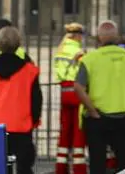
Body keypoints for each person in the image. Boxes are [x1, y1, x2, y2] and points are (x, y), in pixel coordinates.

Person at [73, 20, 125, 172]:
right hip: (124, 117)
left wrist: (91, 110)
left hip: (98, 118)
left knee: (98, 161)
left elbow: (78, 87)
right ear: (117, 37)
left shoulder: (90, 59)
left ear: (99, 37)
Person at [0, 26, 42, 174]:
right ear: (18, 44)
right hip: (21, 125)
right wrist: (34, 120)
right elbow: (36, 100)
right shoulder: (30, 71)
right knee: (24, 167)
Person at [53, 22, 88, 174]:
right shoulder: (78, 51)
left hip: (64, 92)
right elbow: (85, 72)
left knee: (65, 130)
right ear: (78, 35)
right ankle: (79, 168)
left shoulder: (60, 50)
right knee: (78, 130)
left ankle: (61, 167)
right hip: (76, 92)